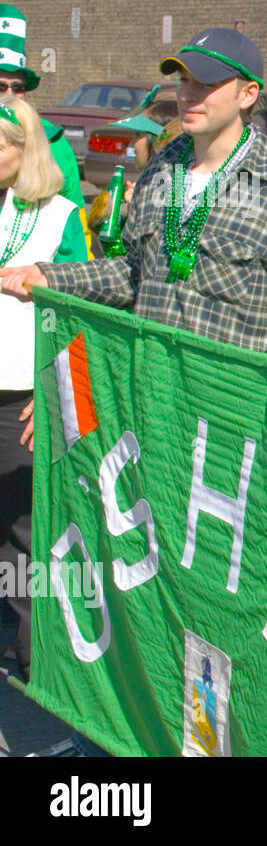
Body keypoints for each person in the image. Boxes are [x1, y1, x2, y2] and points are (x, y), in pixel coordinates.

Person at [0, 28, 267, 359]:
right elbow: (134, 272)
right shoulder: (164, 166)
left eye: (206, 84)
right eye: (183, 81)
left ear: (247, 94)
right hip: (155, 396)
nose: (188, 95)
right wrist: (49, 276)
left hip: (234, 407)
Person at [0, 98, 89, 685]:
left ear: (25, 150)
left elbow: (88, 317)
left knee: (24, 542)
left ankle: (39, 671)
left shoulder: (61, 215)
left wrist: (63, 396)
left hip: (20, 402)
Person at [0, 3, 89, 247]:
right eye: (1, 86)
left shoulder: (53, 141)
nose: (9, 94)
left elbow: (75, 226)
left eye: (17, 87)